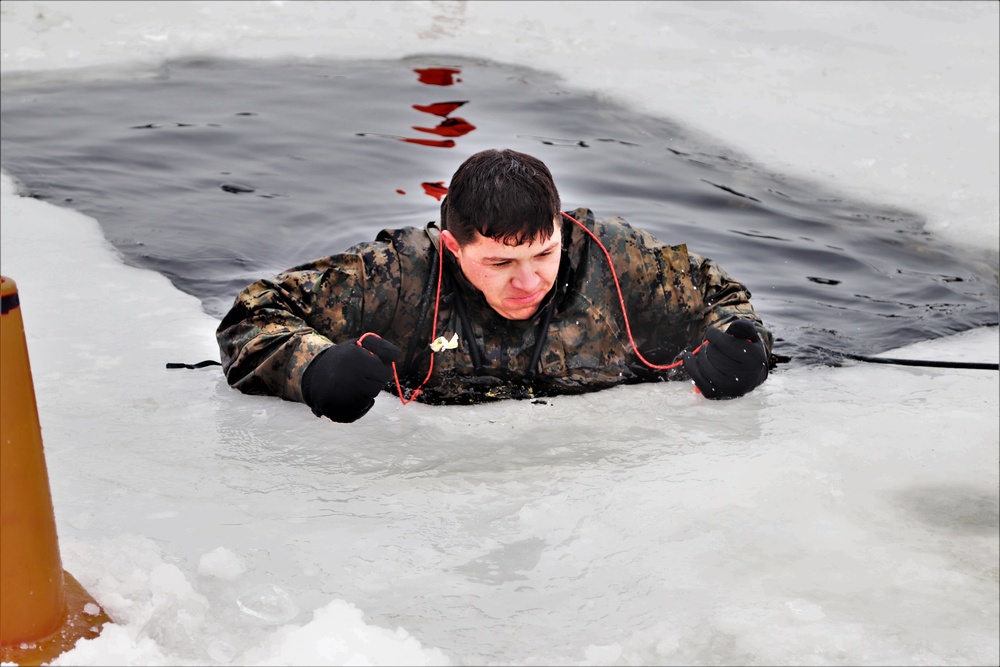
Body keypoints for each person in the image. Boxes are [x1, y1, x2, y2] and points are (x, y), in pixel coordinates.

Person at [216, 148, 775, 422]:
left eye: (545, 252)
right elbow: (252, 316)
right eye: (502, 264)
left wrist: (740, 348)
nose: (529, 280)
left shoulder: (615, 257)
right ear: (455, 248)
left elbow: (726, 302)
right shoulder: (398, 274)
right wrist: (314, 367)